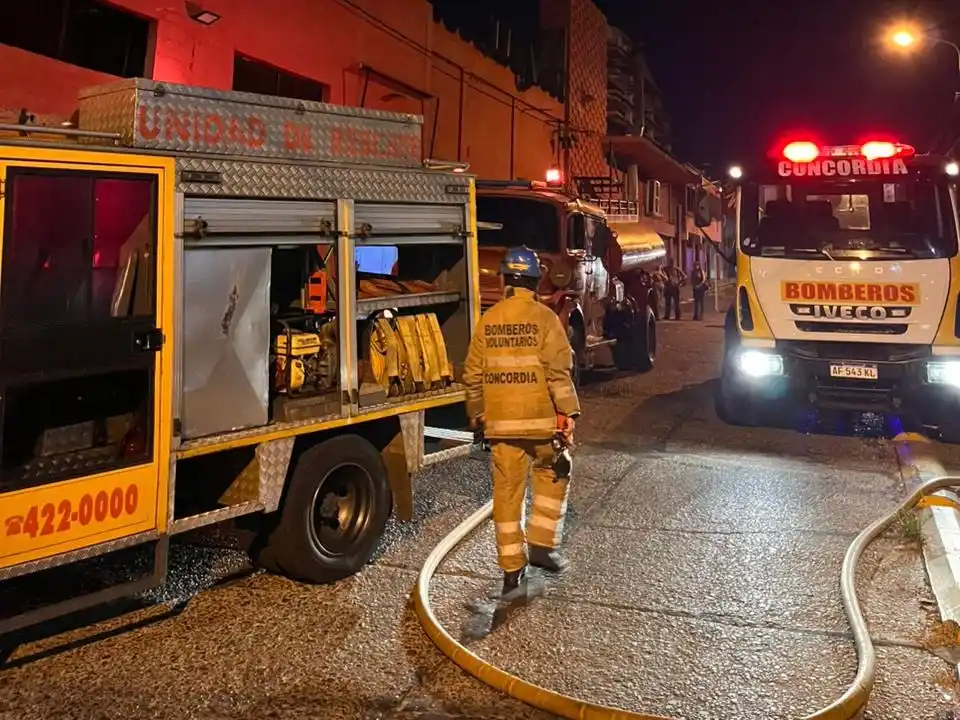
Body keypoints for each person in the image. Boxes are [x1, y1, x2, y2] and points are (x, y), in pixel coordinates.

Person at [463, 246, 581, 596]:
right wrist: (568, 414)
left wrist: (477, 415)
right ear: (535, 281)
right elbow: (558, 372)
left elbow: (472, 375)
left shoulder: (489, 320)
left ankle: (511, 570)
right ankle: (543, 549)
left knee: (506, 495)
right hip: (543, 424)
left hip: (502, 428)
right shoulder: (546, 319)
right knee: (552, 474)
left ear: (504, 280)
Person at [659, 256, 686, 320]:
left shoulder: (676, 269)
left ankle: (677, 316)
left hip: (675, 287)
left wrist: (679, 283)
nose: (671, 263)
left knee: (676, 303)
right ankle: (667, 315)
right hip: (668, 287)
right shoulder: (666, 269)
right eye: (671, 262)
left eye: (672, 262)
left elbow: (684, 276)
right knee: (668, 302)